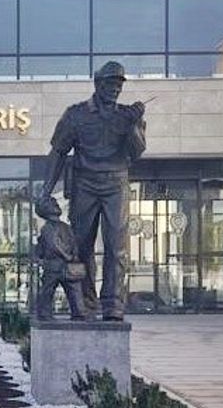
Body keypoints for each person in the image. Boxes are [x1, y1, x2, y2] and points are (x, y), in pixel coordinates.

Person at [40, 60, 146, 321]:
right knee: (81, 246)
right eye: (110, 83)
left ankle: (113, 305)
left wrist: (133, 125)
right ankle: (86, 303)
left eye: (119, 84)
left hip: (116, 183)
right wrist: (46, 190)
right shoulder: (75, 115)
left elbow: (136, 152)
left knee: (116, 246)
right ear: (98, 84)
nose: (115, 89)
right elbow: (58, 152)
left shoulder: (128, 115)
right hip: (84, 183)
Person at [33, 195, 87, 321]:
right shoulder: (48, 228)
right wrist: (68, 256)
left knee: (74, 291)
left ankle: (79, 313)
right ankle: (45, 314)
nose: (56, 205)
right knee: (48, 291)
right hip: (54, 265)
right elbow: (54, 244)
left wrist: (74, 254)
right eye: (52, 204)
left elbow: (73, 242)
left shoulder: (64, 226)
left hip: (66, 265)